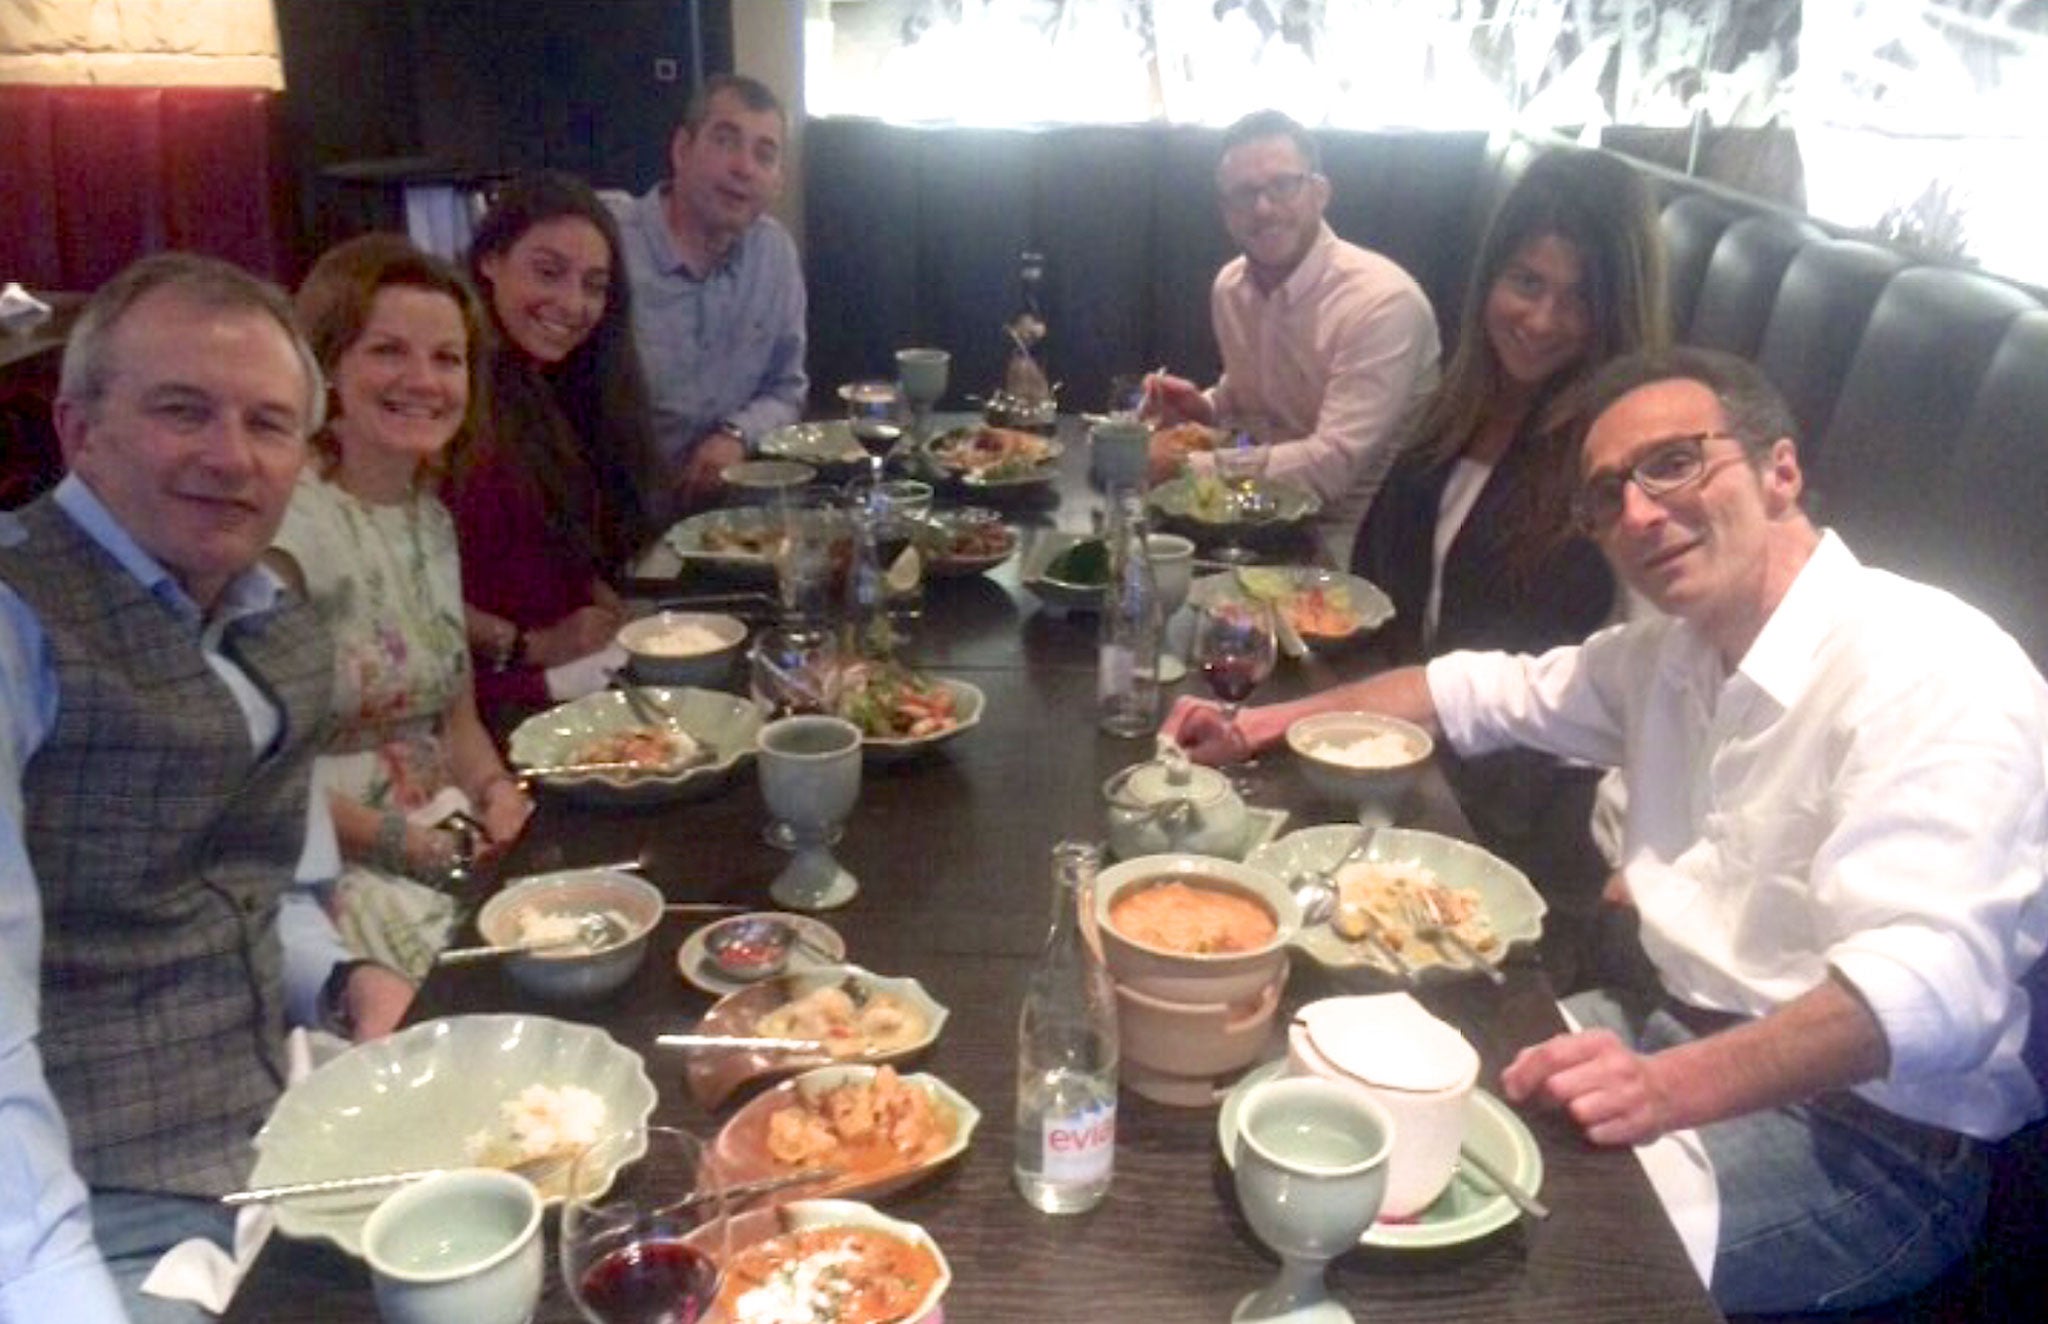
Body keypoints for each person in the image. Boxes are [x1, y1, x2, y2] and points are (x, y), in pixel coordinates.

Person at [1166, 346, 2048, 1313]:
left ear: (1779, 470)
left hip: (1875, 1147)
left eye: (1675, 462)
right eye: (1605, 494)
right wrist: (1249, 728)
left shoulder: (1931, 665)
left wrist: (1666, 1089)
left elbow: (1930, 993)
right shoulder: (1667, 657)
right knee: (1338, 1120)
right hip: (1666, 1027)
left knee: (1494, 1273)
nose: (1636, 512)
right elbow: (1465, 691)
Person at [0, 253, 413, 1321]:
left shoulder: (264, 607)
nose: (230, 457)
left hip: (274, 1128)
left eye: (268, 425)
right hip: (90, 1203)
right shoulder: (15, 621)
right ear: (78, 428)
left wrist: (336, 978)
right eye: (183, 411)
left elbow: (253, 877)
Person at [1350, 148, 1668, 987]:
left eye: (1580, 300)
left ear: (1618, 313)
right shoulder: (1457, 409)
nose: (1542, 319)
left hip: (1526, 835)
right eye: (1526, 283)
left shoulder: (1621, 457)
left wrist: (1634, 878)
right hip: (1413, 762)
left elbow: (1661, 674)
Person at [272, 235, 534, 985]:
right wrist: (413, 844)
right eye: (388, 351)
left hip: (444, 836)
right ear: (327, 367)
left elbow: (454, 720)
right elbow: (259, 781)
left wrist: (497, 793)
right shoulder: (288, 532)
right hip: (332, 878)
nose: (424, 381)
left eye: (447, 359)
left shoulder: (428, 517)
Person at [1144, 108, 1440, 564]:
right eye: (1244, 194)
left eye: (1283, 185)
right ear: (1226, 213)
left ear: (1320, 193)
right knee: (1122, 557)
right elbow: (1255, 400)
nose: (1262, 208)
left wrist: (1185, 467)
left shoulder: (1383, 302)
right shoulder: (1230, 287)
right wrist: (1206, 408)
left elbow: (1331, 466)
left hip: (1351, 547)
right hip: (1249, 521)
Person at [450, 171, 661, 719]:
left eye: (594, 285)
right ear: (490, 261)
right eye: (548, 272)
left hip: (576, 673)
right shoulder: (450, 387)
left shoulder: (557, 383)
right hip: (488, 698)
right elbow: (404, 580)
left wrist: (591, 589)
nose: (572, 303)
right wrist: (527, 644)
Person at [604, 73, 806, 518]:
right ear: (681, 150)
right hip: (610, 520)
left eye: (764, 154)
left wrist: (737, 435)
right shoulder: (608, 242)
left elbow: (787, 388)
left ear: (776, 180)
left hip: (730, 520)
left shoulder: (774, 254)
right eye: (725, 141)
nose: (744, 167)